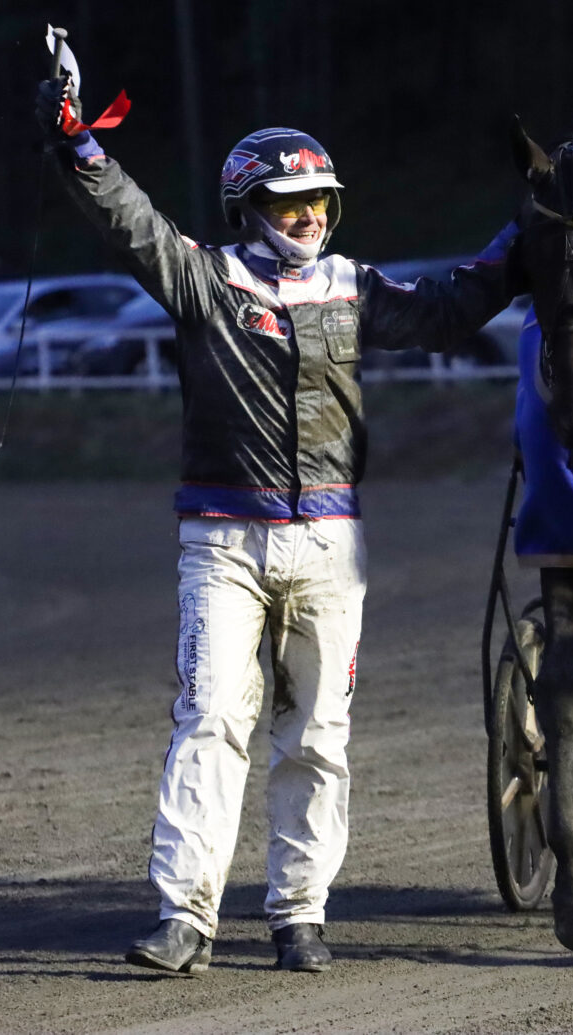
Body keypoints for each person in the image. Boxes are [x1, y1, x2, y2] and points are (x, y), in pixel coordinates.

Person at [34, 79, 517, 975]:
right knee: (211, 719)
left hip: (331, 546)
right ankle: (186, 917)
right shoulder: (204, 277)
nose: (308, 216)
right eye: (291, 202)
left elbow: (450, 308)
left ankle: (301, 915)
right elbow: (130, 222)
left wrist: (527, 236)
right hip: (221, 544)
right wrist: (79, 143)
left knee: (318, 734)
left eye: (319, 201)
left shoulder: (353, 285)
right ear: (248, 207)